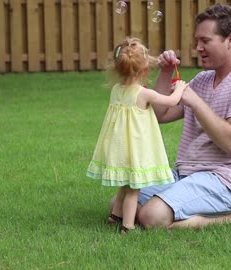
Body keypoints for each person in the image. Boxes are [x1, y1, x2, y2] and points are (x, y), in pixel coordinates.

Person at [111, 3, 231, 229]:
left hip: (226, 180)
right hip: (186, 174)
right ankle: (175, 209)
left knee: (151, 217)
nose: (198, 47)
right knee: (119, 203)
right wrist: (166, 73)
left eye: (205, 41)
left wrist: (195, 102)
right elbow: (161, 114)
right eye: (197, 40)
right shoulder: (203, 79)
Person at [87, 37, 188, 233]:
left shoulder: (117, 90)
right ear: (145, 70)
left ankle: (114, 216)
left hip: (120, 148)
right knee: (134, 190)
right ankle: (128, 226)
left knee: (124, 185)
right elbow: (171, 100)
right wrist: (181, 88)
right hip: (135, 150)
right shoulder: (143, 94)